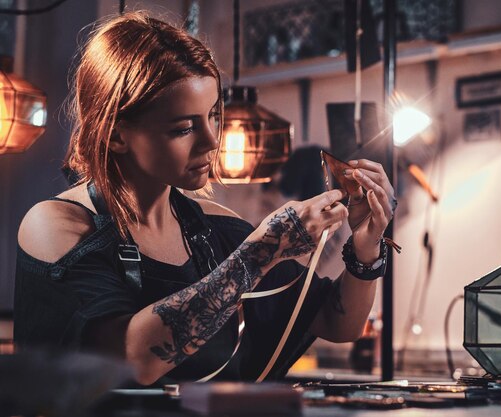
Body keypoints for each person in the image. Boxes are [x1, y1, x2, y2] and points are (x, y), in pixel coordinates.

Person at [13, 12, 396, 385]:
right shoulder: (56, 226)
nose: (212, 141)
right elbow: (134, 360)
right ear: (115, 134)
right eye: (183, 128)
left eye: (213, 115)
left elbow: (337, 322)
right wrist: (261, 251)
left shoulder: (215, 228)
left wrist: (365, 245)